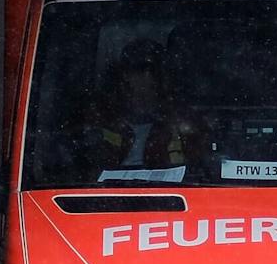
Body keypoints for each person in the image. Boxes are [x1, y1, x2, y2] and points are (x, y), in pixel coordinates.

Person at [77, 38, 207, 174]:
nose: (149, 76)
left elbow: (198, 170)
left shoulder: (183, 120)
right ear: (125, 74)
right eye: (140, 69)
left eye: (155, 70)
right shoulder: (102, 118)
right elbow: (86, 169)